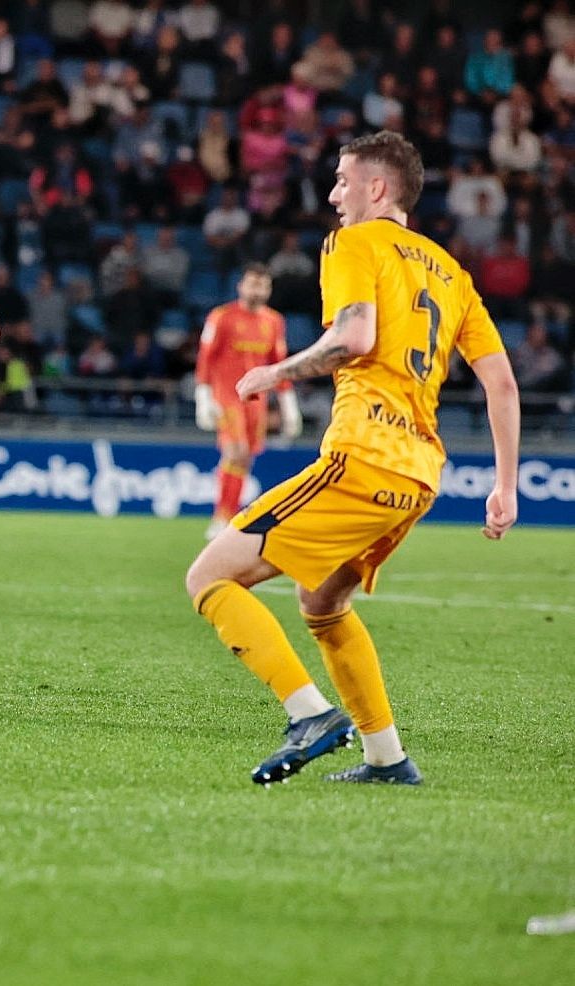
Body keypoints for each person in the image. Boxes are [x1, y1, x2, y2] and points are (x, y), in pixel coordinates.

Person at [185, 131, 521, 786]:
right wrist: (505, 485)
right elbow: (502, 384)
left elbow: (355, 335)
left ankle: (308, 714)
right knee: (322, 603)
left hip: (364, 456)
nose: (335, 194)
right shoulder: (452, 272)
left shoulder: (353, 243)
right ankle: (387, 758)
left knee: (209, 577)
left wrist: (274, 373)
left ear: (377, 188)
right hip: (419, 474)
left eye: (342, 180)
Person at [194, 263, 302, 539]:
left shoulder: (274, 321)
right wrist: (203, 397)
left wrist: (288, 404)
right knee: (236, 451)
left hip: (257, 400)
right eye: (253, 283)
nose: (258, 289)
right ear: (240, 285)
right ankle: (222, 517)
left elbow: (279, 363)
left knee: (245, 458)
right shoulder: (221, 317)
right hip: (227, 394)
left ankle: (229, 515)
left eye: (263, 285)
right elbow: (206, 358)